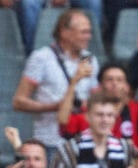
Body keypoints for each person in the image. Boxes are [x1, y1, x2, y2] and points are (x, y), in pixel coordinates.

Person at [12, 9, 99, 150]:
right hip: (50, 141)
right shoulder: (41, 58)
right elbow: (18, 101)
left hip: (83, 141)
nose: (88, 37)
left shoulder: (89, 59)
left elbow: (96, 98)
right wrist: (53, 106)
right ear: (65, 33)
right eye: (83, 32)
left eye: (89, 32)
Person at [58, 35, 138, 147]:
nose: (115, 83)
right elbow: (63, 120)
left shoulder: (137, 109)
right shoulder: (90, 112)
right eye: (109, 79)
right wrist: (73, 82)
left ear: (127, 87)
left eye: (120, 80)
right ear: (100, 86)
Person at [45, 92, 135, 168]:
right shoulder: (68, 149)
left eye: (110, 115)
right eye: (99, 115)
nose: (105, 120)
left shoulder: (126, 148)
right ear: (87, 116)